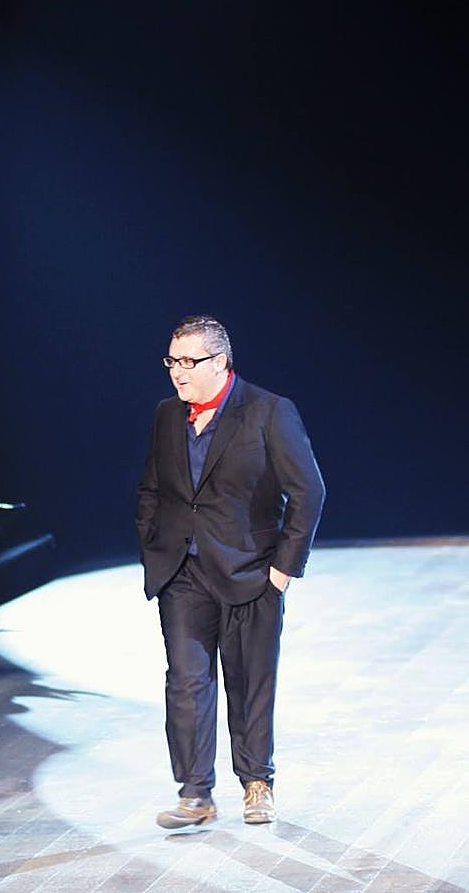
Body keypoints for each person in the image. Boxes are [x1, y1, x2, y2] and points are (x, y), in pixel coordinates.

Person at [135, 315, 325, 829]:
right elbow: (152, 488)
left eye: (189, 362)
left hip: (250, 572)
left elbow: (308, 492)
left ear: (219, 362)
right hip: (182, 571)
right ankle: (195, 792)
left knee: (249, 682)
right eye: (171, 361)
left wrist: (283, 570)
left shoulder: (268, 412)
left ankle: (256, 782)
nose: (177, 372)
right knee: (186, 681)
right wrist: (154, 544)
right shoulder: (166, 416)